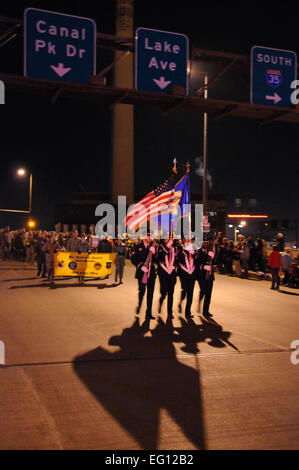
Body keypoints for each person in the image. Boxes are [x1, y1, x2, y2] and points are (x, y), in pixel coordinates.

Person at [131, 233, 157, 320]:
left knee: (150, 293)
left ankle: (148, 312)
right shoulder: (138, 246)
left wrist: (154, 253)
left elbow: (157, 259)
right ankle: (139, 304)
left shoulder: (153, 246)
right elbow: (133, 258)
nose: (149, 238)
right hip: (142, 272)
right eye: (147, 236)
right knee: (142, 291)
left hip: (151, 272)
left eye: (150, 236)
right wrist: (140, 265)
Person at [177, 238, 197, 319]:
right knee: (184, 291)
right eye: (187, 241)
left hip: (192, 275)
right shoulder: (181, 251)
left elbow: (197, 261)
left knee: (190, 293)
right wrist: (187, 253)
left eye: (190, 241)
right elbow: (179, 260)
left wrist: (194, 254)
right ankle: (181, 302)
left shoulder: (194, 251)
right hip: (184, 275)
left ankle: (187, 311)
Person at [157, 238, 177, 319]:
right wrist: (167, 248)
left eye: (169, 238)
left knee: (171, 294)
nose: (168, 239)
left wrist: (174, 266)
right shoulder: (160, 248)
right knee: (164, 293)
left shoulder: (174, 248)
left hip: (172, 274)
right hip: (163, 274)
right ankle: (161, 301)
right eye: (166, 238)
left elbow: (177, 259)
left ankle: (170, 312)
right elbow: (159, 258)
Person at [196, 239, 215, 319]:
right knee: (203, 290)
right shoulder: (198, 251)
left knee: (208, 294)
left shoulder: (210, 251)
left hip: (210, 275)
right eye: (204, 242)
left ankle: (205, 310)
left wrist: (213, 256)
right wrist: (203, 266)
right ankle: (200, 301)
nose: (205, 244)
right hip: (202, 275)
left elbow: (216, 261)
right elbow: (196, 262)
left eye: (207, 242)